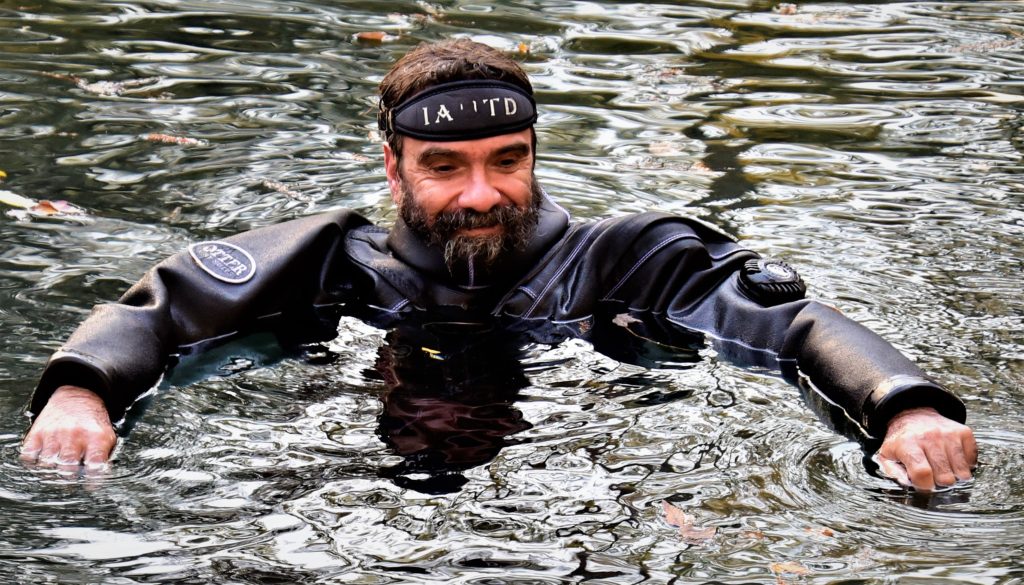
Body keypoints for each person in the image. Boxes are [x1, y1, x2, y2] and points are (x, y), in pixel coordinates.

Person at [20, 39, 976, 492]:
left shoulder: (629, 259)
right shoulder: (327, 260)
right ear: (392, 165)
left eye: (507, 161)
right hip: (362, 482)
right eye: (445, 168)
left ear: (534, 152)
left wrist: (905, 404)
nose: (482, 193)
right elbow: (161, 308)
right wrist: (78, 393)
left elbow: (796, 326)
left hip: (584, 466)